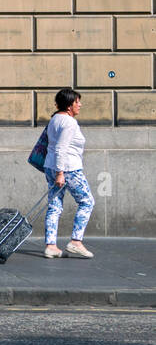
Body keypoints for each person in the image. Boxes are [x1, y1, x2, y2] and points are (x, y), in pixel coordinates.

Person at [43, 88, 95, 260]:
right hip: (68, 169)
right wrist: (60, 173)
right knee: (87, 202)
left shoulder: (55, 119)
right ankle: (76, 241)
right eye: (77, 102)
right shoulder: (69, 122)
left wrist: (56, 171)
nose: (80, 105)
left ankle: (51, 246)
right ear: (69, 105)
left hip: (51, 166)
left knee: (55, 205)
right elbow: (61, 148)